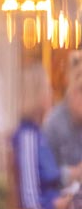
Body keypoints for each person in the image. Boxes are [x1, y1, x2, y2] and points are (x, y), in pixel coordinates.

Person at [13, 63, 76, 209]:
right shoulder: (27, 137)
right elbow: (30, 201)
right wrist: (59, 204)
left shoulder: (39, 135)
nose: (51, 94)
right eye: (47, 89)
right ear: (37, 94)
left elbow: (49, 178)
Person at [41, 51, 82, 193]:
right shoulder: (53, 124)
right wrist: (74, 173)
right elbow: (45, 175)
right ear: (70, 90)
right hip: (61, 206)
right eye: (80, 91)